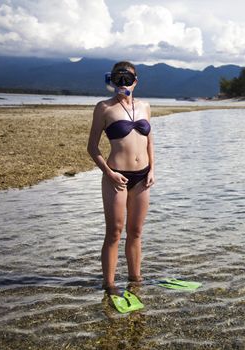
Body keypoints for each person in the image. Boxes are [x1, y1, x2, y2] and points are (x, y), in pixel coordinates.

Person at [87, 61, 155, 296]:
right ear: (111, 80)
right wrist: (109, 172)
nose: (124, 83)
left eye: (128, 78)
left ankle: (136, 280)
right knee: (114, 232)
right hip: (116, 176)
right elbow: (92, 147)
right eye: (119, 78)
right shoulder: (104, 108)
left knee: (136, 232)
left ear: (136, 80)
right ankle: (110, 284)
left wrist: (152, 170)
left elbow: (150, 142)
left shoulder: (145, 106)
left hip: (143, 176)